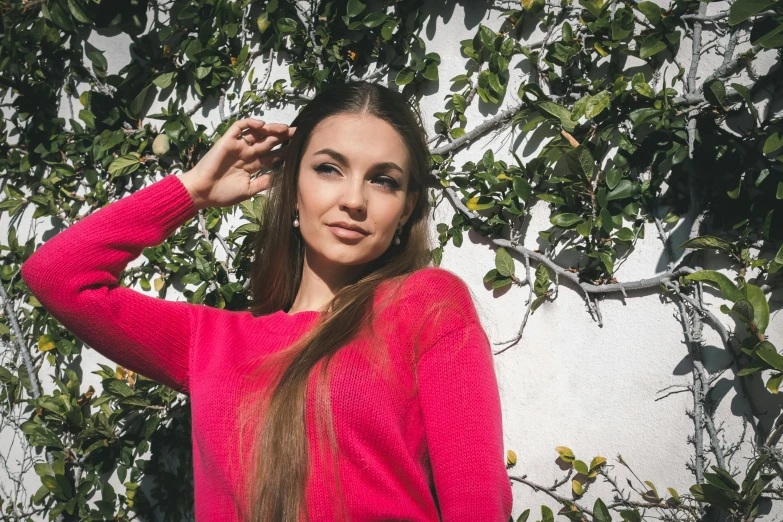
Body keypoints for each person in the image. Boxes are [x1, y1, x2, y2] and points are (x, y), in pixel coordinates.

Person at [21, 80, 513, 522]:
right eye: (329, 169)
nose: (355, 200)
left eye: (384, 180)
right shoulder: (211, 343)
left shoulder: (427, 306)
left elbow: (478, 508)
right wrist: (193, 190)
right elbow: (59, 276)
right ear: (292, 186)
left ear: (406, 210)